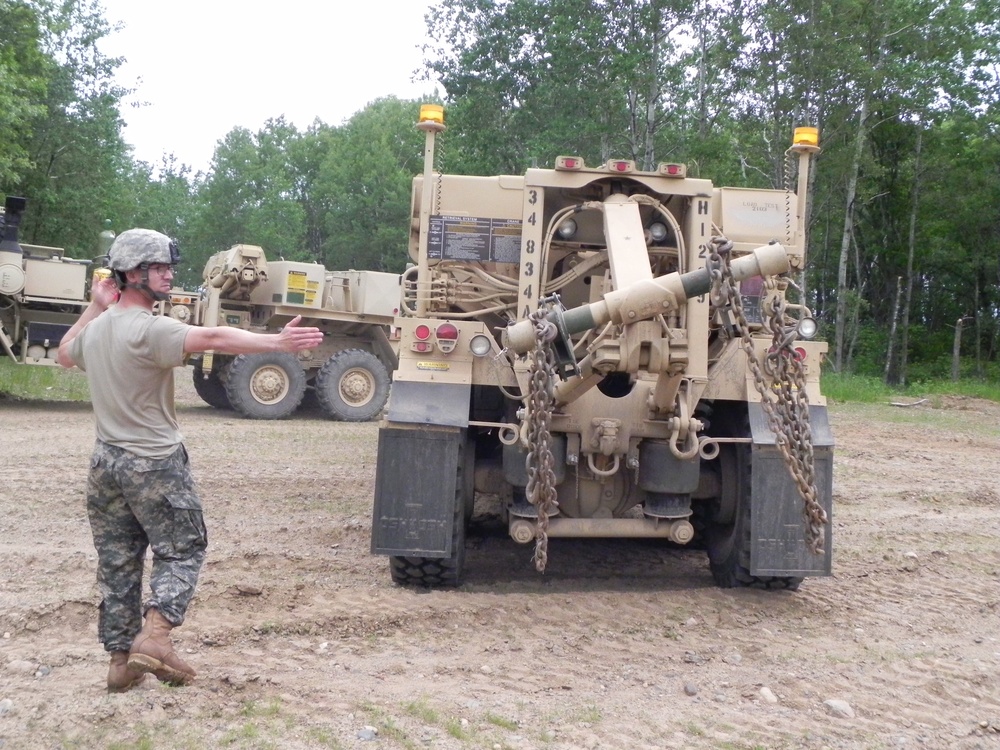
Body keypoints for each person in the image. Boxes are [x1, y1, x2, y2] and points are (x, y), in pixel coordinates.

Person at [58, 229, 324, 692]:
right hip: (155, 462)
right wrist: (277, 344)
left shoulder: (98, 329)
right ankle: (156, 637)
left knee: (118, 563)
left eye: (168, 267)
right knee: (183, 549)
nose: (168, 274)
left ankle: (120, 664)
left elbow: (65, 354)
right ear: (132, 274)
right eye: (158, 268)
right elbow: (215, 335)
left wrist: (96, 305)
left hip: (106, 465)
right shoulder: (150, 329)